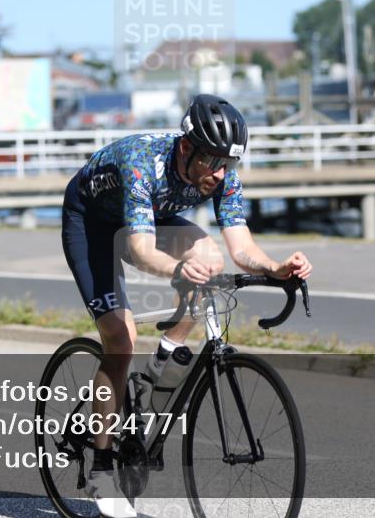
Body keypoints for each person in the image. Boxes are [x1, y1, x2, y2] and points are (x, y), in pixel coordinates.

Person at [61, 94, 312, 517]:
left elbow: (241, 246)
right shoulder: (143, 162)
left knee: (209, 256)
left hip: (146, 217)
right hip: (92, 225)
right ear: (186, 147)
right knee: (120, 343)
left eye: (226, 164)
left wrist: (276, 267)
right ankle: (101, 469)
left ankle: (162, 362)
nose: (217, 174)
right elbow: (140, 250)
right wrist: (178, 271)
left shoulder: (222, 174)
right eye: (209, 161)